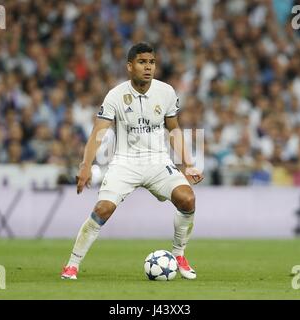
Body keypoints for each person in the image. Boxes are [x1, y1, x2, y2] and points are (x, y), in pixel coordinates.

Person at [61, 43, 204, 280]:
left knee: (187, 198)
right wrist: (85, 166)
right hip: (124, 163)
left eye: (151, 62)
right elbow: (98, 132)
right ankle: (72, 265)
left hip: (158, 161)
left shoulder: (166, 92)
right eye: (142, 62)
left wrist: (188, 163)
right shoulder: (115, 96)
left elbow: (173, 129)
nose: (148, 67)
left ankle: (178, 254)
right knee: (102, 209)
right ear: (130, 66)